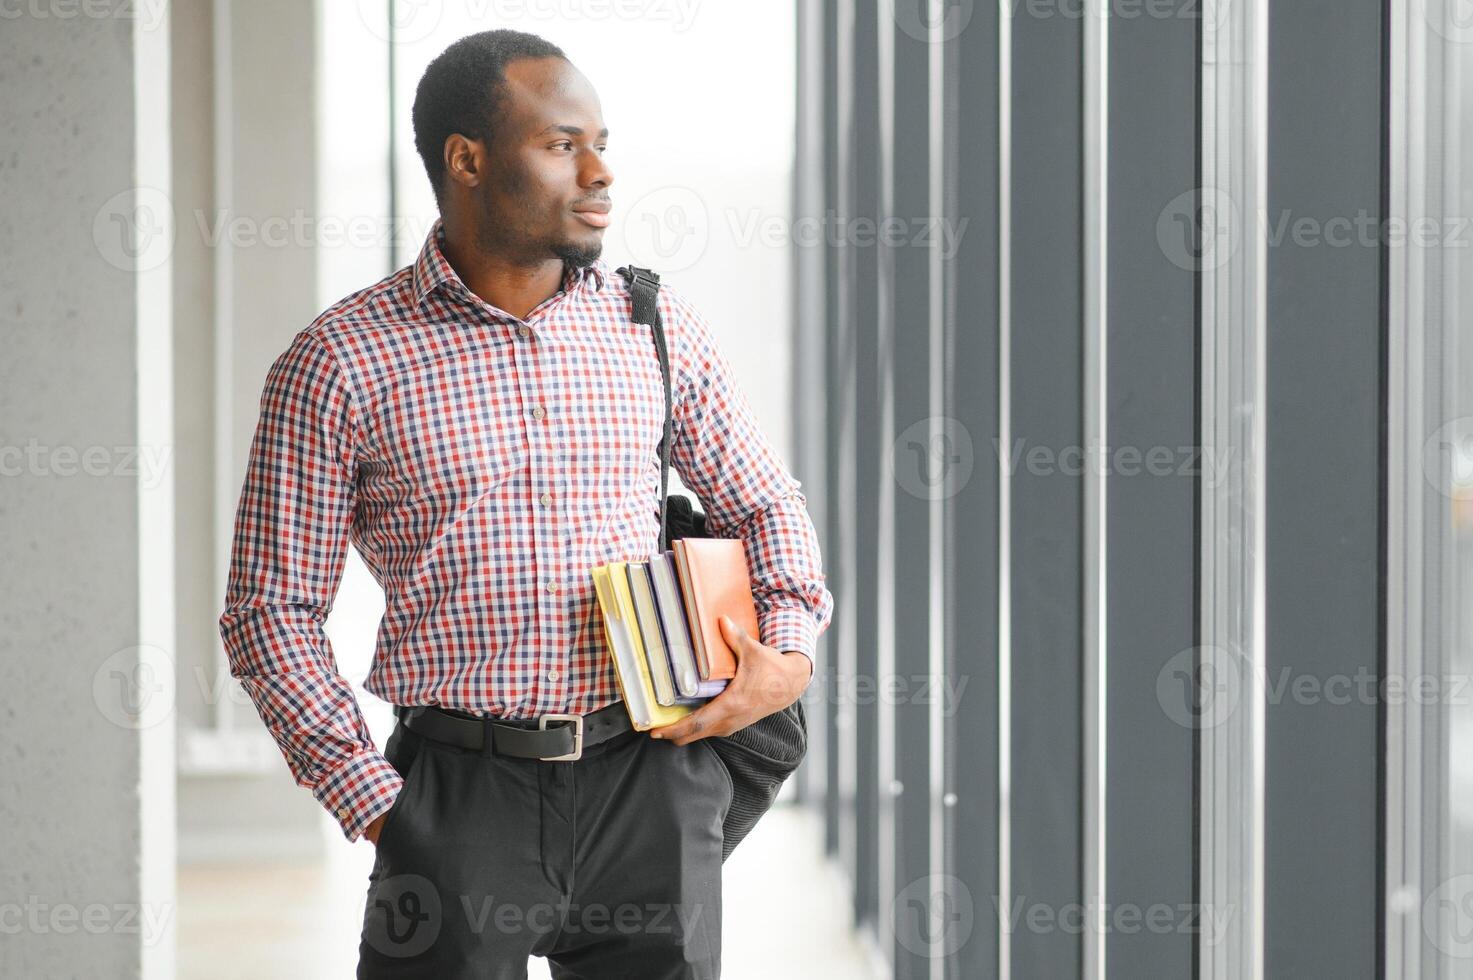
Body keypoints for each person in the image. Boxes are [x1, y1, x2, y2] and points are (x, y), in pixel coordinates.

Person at [217, 28, 834, 979]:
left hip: (650, 777)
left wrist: (787, 653)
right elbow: (270, 611)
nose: (599, 173)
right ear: (467, 160)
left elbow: (764, 502)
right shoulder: (338, 361)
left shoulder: (650, 326)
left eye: (601, 143)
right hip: (456, 795)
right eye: (560, 145)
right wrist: (374, 801)